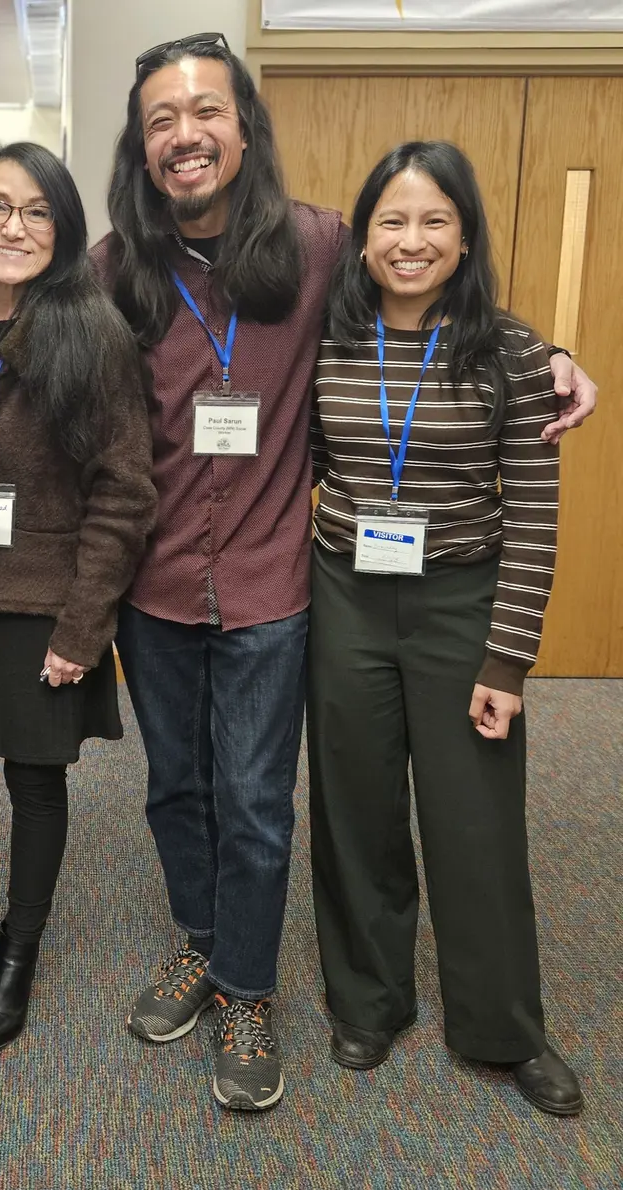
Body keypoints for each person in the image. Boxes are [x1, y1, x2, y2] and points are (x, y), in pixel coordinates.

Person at [93, 32, 598, 1113]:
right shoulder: (114, 266)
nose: (186, 135)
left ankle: (255, 988)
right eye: (161, 121)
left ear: (244, 126)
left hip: (280, 586)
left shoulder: (318, 245)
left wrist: (549, 351)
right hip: (164, 586)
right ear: (142, 148)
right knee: (191, 791)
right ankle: (238, 955)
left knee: (265, 803)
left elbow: (438, 297)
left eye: (207, 112)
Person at [308, 141, 581, 1115]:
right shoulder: (327, 340)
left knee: (476, 819)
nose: (411, 240)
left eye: (433, 221)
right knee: (355, 807)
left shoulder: (513, 353)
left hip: (461, 601)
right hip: (343, 594)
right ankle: (369, 998)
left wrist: (508, 659)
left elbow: (535, 519)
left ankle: (504, 1026)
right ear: (364, 235)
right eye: (392, 220)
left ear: (465, 238)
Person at [0, 142, 156, 1053]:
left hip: (43, 609)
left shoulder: (92, 337)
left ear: (63, 228)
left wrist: (83, 628)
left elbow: (124, 491)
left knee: (33, 783)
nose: (15, 227)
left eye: (37, 211)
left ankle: (17, 954)